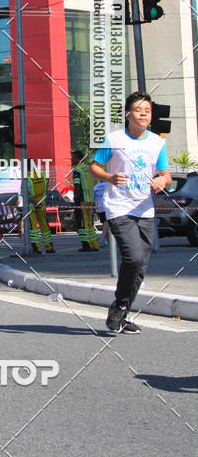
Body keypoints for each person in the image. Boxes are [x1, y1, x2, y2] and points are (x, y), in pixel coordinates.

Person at [90, 91, 171, 334]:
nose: (144, 113)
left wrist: (161, 182)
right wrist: (110, 178)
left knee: (141, 266)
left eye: (147, 109)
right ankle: (120, 307)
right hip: (119, 208)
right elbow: (93, 167)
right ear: (128, 114)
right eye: (138, 109)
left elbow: (165, 174)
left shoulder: (157, 142)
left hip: (144, 209)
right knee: (133, 257)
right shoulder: (113, 139)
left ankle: (121, 309)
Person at [72, 150, 99, 252]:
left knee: (83, 224)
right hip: (90, 199)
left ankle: (86, 245)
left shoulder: (77, 170)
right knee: (90, 224)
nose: (71, 160)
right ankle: (94, 245)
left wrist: (76, 199)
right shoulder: (88, 168)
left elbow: (77, 186)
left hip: (82, 200)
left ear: (79, 158)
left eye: (73, 158)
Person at [26, 165, 54, 254]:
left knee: (33, 228)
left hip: (31, 206)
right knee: (44, 226)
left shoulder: (26, 177)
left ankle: (36, 249)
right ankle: (49, 247)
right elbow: (46, 190)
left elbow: (26, 194)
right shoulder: (42, 174)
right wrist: (40, 201)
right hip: (42, 204)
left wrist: (34, 202)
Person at [92, 179, 109, 247]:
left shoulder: (96, 187)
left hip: (100, 208)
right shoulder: (108, 185)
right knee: (107, 223)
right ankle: (102, 239)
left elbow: (95, 198)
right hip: (107, 207)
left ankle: (108, 241)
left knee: (106, 225)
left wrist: (96, 208)